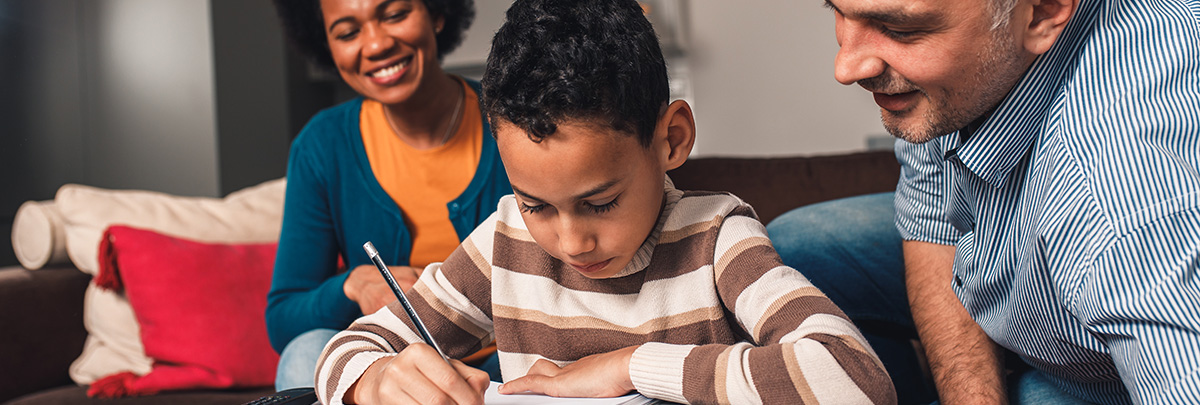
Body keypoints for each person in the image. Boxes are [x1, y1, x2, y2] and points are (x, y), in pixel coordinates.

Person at [313, 1, 898, 404]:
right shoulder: (503, 242)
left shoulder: (718, 238)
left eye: (600, 203)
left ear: (671, 139)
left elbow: (853, 380)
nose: (570, 243)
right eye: (537, 204)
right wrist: (376, 378)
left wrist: (629, 367)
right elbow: (345, 349)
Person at [769, 0, 1200, 403]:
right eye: (838, 11)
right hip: (1038, 273)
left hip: (1101, 375)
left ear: (1042, 11)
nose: (846, 67)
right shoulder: (963, 81)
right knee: (797, 249)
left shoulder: (1115, 200)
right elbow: (932, 221)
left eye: (896, 28)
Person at [266, 0, 511, 390]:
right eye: (348, 33)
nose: (376, 44)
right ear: (326, 46)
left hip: (513, 362)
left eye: (395, 15)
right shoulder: (322, 145)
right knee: (304, 353)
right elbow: (283, 318)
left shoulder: (513, 117)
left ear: (437, 14)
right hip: (391, 366)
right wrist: (353, 286)